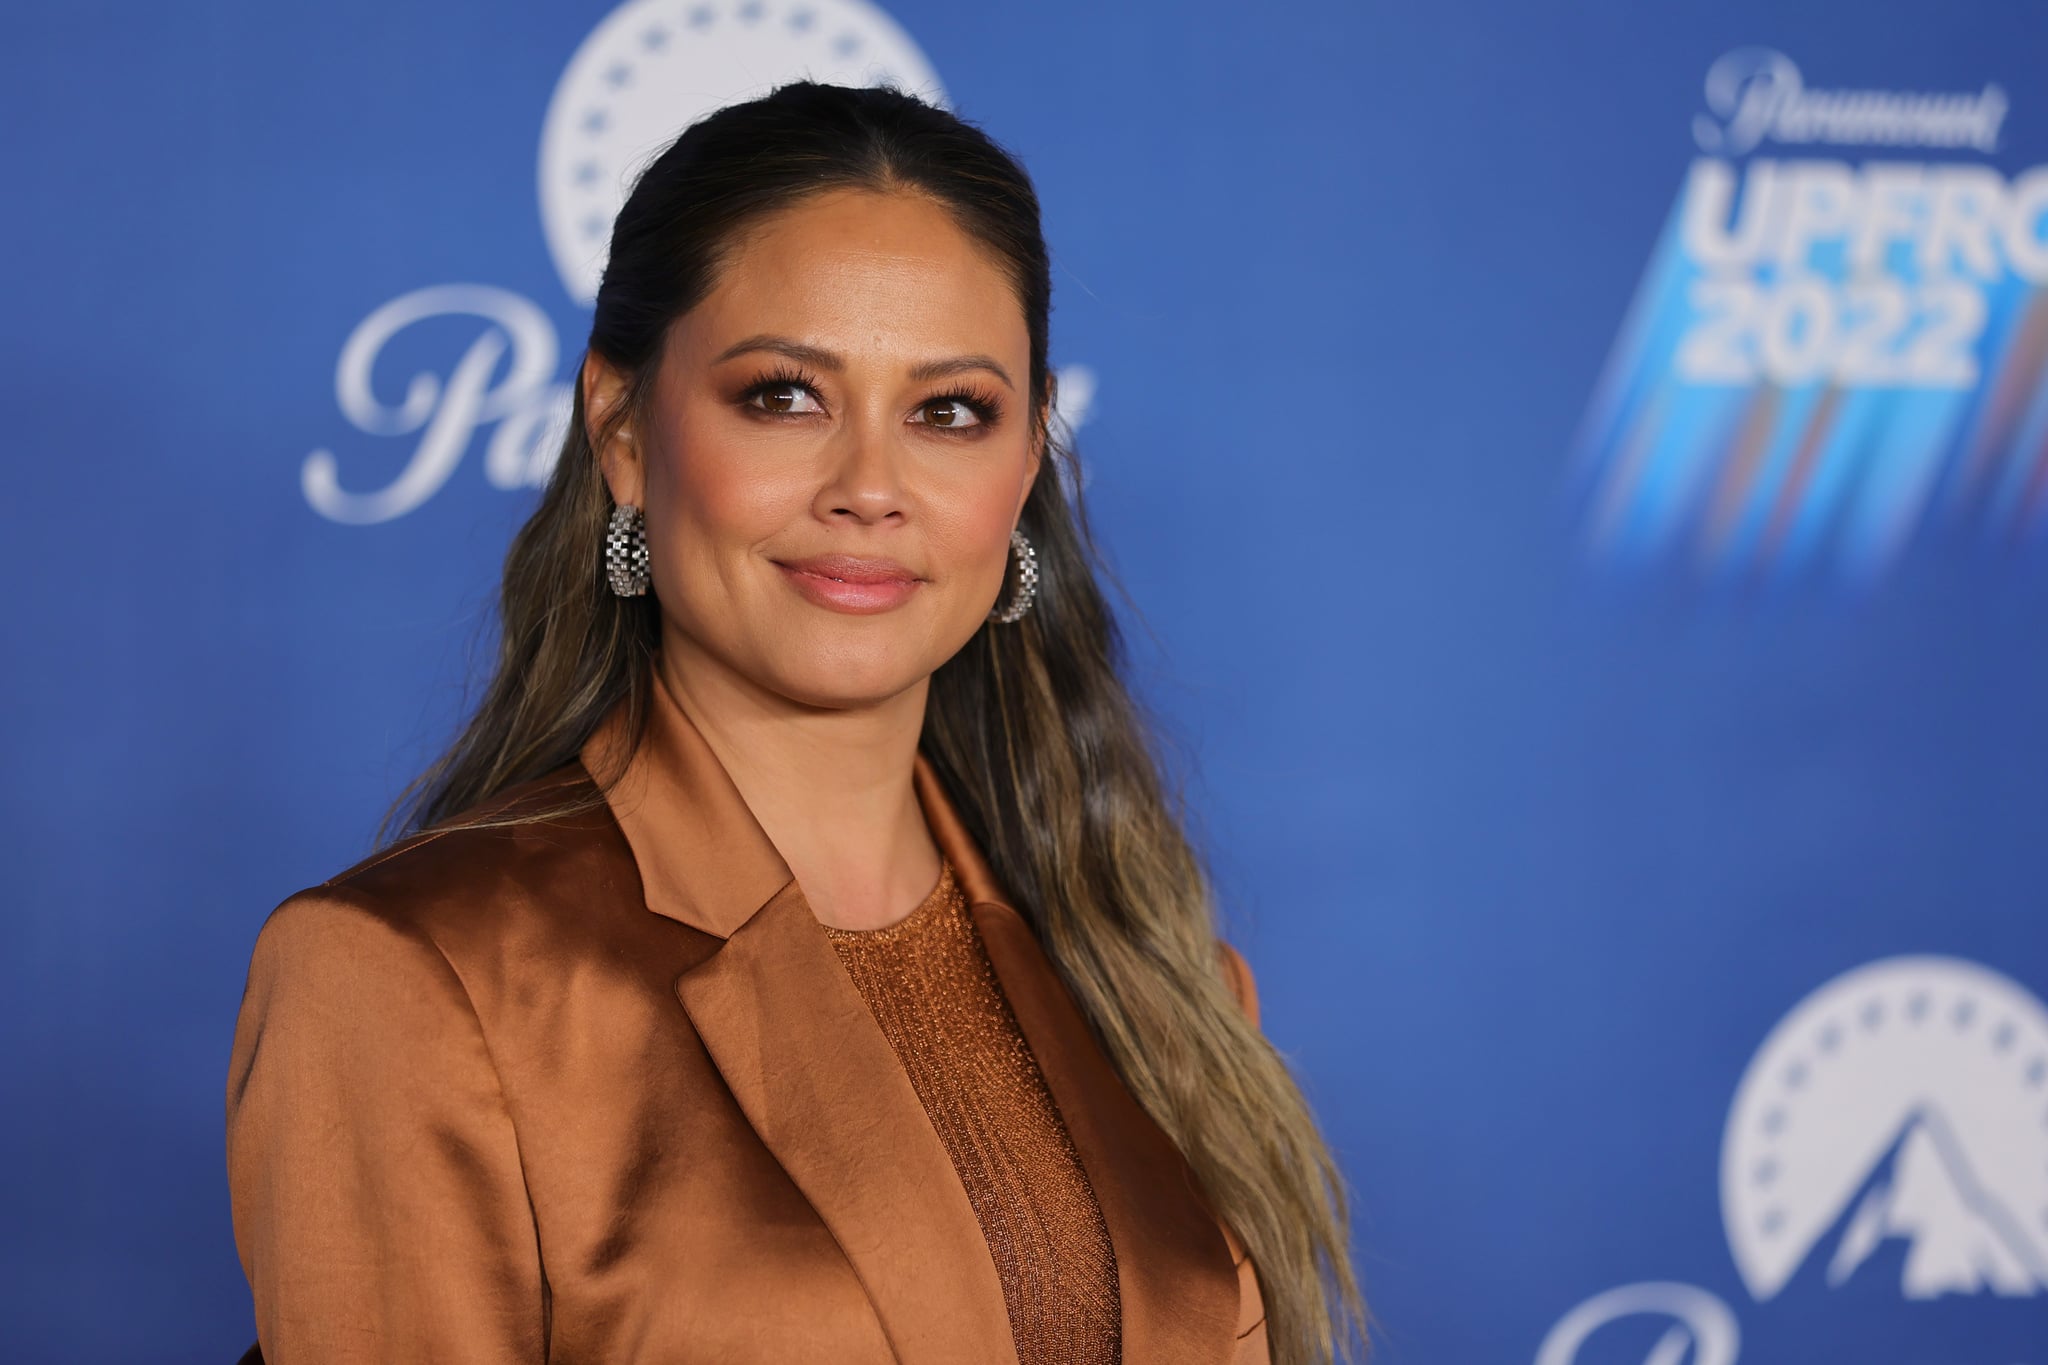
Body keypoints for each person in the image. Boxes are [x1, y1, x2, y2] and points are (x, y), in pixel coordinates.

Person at [225, 79, 1365, 1365]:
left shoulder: (1158, 982)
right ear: (622, 432)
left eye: (948, 412)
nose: (870, 489)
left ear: (1028, 455)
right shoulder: (415, 982)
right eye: (784, 396)